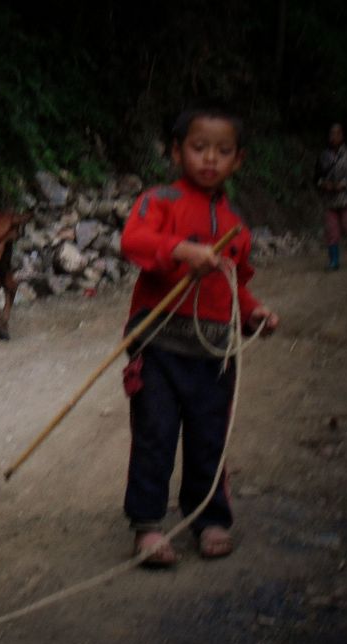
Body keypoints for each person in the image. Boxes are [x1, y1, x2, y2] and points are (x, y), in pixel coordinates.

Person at [119, 104, 279, 567]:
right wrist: (180, 250)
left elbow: (237, 283)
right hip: (158, 344)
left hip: (214, 352)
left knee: (210, 437)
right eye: (198, 147)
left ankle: (210, 518)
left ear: (238, 160)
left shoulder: (236, 227)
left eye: (223, 151)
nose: (210, 158)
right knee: (155, 435)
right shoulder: (159, 200)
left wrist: (255, 314)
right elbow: (133, 241)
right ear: (176, 151)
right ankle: (147, 527)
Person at [314, 122, 347, 270]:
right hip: (330, 200)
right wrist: (324, 184)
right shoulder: (323, 155)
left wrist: (344, 184)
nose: (333, 137)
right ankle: (334, 261)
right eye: (331, 133)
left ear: (342, 136)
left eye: (337, 133)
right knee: (332, 232)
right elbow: (316, 177)